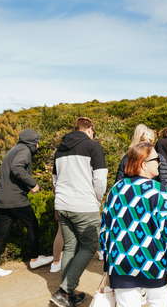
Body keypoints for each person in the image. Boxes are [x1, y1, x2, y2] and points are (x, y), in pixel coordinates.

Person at [100, 142, 167, 307]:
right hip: (152, 263)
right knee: (159, 303)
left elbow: (105, 229)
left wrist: (107, 261)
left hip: (120, 263)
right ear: (144, 164)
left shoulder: (115, 189)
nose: (160, 162)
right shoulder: (157, 190)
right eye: (156, 159)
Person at [50, 117, 108, 307]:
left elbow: (55, 180)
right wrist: (97, 200)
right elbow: (100, 180)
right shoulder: (93, 146)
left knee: (70, 246)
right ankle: (65, 290)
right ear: (90, 129)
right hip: (84, 205)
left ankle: (68, 293)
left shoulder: (59, 150)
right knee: (91, 246)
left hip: (63, 204)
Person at [0, 129, 53, 281]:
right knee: (32, 225)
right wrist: (33, 183)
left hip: (3, 199)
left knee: (1, 234)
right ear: (32, 141)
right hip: (15, 198)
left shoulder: (14, 149)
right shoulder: (24, 150)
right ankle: (35, 259)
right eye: (37, 141)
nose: (38, 144)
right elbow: (17, 168)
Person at [115, 124, 167, 190]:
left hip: (130, 196)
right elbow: (164, 183)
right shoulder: (158, 158)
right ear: (152, 141)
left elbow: (118, 182)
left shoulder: (127, 157)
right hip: (152, 196)